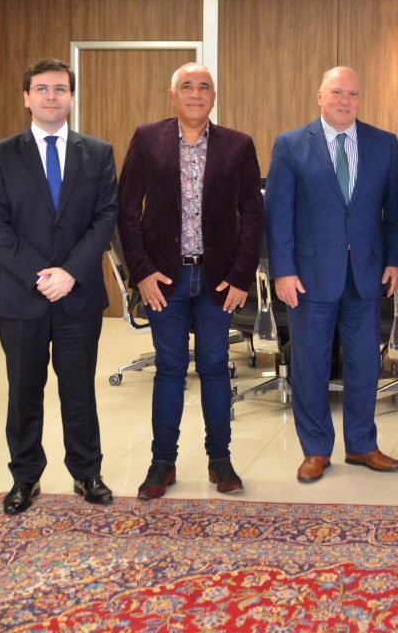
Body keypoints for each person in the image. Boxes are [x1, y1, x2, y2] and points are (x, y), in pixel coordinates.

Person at [116, 63, 265, 499]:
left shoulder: (238, 145)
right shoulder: (147, 139)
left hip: (219, 280)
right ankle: (162, 464)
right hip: (165, 279)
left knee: (216, 367)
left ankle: (221, 461)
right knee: (170, 368)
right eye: (187, 86)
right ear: (172, 95)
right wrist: (139, 271)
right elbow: (127, 210)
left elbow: (254, 215)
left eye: (204, 87)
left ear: (214, 97)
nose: (196, 93)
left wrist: (241, 275)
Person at [0, 57, 118, 514]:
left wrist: (70, 273)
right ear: (26, 97)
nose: (51, 96)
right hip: (22, 296)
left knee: (79, 389)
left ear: (72, 97)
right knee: (23, 392)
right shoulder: (0, 154)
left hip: (77, 295)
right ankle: (24, 478)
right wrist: (43, 275)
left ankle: (86, 473)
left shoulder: (97, 153)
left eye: (60, 89)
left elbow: (104, 220)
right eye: (42, 89)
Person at [266, 66, 398, 483]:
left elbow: (395, 215)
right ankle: (315, 450)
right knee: (310, 364)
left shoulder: (383, 143)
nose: (345, 100)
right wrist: (283, 271)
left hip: (366, 275)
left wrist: (396, 260)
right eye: (337, 92)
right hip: (309, 276)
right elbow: (278, 216)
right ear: (320, 96)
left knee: (365, 364)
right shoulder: (291, 145)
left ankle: (362, 445)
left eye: (353, 94)